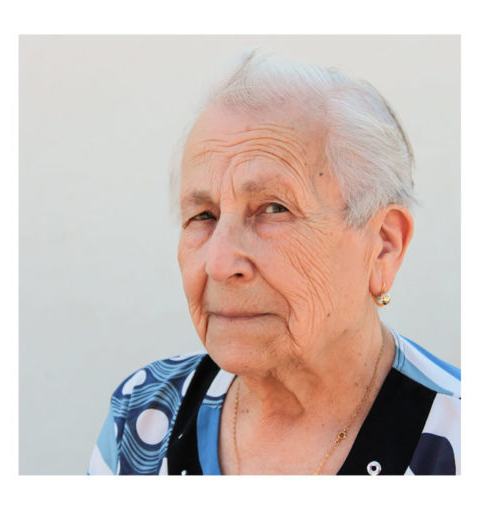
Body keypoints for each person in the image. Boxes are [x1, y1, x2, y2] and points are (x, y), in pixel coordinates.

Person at [88, 52, 459, 475]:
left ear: (382, 246)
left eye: (273, 209)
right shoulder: (143, 415)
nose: (220, 262)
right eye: (203, 216)